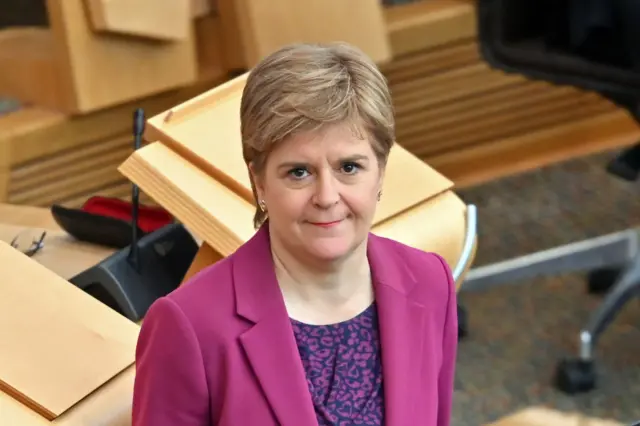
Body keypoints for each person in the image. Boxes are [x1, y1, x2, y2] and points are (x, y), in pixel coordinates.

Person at [132, 42, 458, 426]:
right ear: (260, 183)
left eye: (349, 167)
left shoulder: (430, 283)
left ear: (381, 172)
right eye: (299, 172)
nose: (327, 197)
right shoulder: (190, 326)